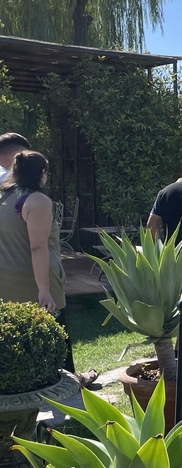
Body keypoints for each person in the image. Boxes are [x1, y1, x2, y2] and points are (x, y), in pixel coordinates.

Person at [0, 151, 96, 385]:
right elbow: (38, 248)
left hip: (6, 280)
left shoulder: (3, 198)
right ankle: (68, 381)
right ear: (41, 173)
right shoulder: (37, 201)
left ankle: (22, 381)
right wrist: (44, 289)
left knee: (17, 333)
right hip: (36, 277)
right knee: (55, 330)